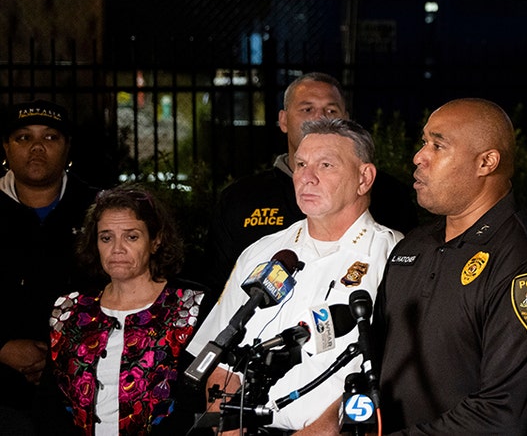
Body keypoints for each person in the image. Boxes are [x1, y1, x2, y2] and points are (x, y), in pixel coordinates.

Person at [372, 98, 527, 434]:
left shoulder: (526, 264)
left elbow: (502, 415)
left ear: (486, 162)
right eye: (425, 142)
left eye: (438, 145)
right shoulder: (412, 247)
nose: (419, 157)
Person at [187, 116, 400, 434]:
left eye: (326, 165)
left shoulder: (394, 255)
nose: (306, 178)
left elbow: (391, 375)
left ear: (364, 178)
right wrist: (227, 427)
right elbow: (222, 361)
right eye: (300, 164)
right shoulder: (263, 251)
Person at [199, 72, 418, 292]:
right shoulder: (242, 199)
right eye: (307, 109)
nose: (320, 118)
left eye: (331, 111)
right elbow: (215, 287)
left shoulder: (390, 195)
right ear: (283, 120)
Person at [46, 185, 206, 435]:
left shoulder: (191, 307)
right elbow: (49, 402)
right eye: (106, 237)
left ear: (156, 241)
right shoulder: (69, 309)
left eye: (131, 237)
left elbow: (196, 404)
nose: (117, 248)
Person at [0, 99, 101, 433]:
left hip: (86, 391)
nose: (37, 147)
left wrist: (60, 357)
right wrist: (1, 348)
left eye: (50, 137)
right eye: (23, 137)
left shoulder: (100, 212)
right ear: (6, 147)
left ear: (68, 147)